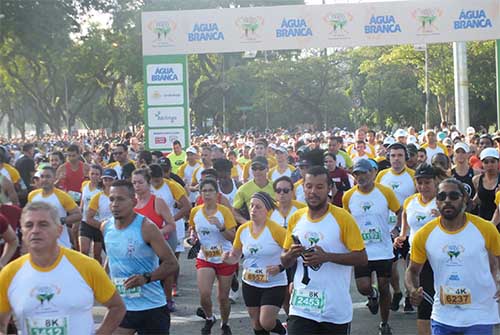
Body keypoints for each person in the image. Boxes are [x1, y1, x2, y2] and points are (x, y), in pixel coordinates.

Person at [0, 201, 126, 334]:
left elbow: (117, 307)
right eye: (29, 225)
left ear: (59, 231)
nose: (35, 230)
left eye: (43, 224)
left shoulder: (86, 266)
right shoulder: (9, 273)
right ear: (23, 232)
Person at [406, 178, 500, 335]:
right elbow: (412, 270)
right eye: (442, 196)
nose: (447, 200)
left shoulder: (485, 229)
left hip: (479, 314)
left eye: (453, 196)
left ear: (464, 199)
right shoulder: (424, 234)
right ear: (436, 202)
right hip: (443, 316)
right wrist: (412, 289)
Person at [281, 166, 368, 335]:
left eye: (319, 187)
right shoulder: (296, 218)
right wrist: (290, 255)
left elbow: (362, 258)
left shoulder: (343, 218)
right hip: (301, 307)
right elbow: (284, 260)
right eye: (309, 186)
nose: (313, 191)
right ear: (303, 188)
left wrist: (327, 257)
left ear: (329, 189)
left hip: (334, 310)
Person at [101, 180, 179, 334]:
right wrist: (103, 280)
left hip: (151, 308)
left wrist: (146, 278)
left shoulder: (147, 228)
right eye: (112, 199)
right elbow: (112, 256)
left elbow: (171, 264)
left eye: (121, 199)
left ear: (134, 201)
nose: (115, 204)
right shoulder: (106, 227)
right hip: (122, 307)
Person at [343, 159, 401, 335]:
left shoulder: (385, 192)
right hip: (361, 250)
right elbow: (345, 220)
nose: (361, 177)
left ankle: (384, 323)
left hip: (383, 249)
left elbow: (400, 211)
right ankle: (371, 295)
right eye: (357, 174)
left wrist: (397, 229)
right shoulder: (349, 196)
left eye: (364, 173)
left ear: (373, 173)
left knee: (384, 286)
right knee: (363, 287)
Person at [223, 192, 287, 335]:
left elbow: (292, 253)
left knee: (267, 322)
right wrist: (227, 258)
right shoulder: (243, 230)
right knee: (257, 324)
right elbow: (235, 255)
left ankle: (284, 331)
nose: (253, 210)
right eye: (251, 206)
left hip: (274, 283)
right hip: (250, 282)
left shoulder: (276, 230)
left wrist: (280, 267)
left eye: (258, 207)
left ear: (267, 210)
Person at [394, 164, 438, 335]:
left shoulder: (443, 201)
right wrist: (401, 237)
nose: (423, 186)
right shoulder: (410, 202)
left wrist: (442, 216)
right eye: (419, 182)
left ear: (435, 181)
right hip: (417, 258)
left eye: (427, 182)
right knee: (423, 305)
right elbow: (406, 227)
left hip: (439, 258)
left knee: (443, 302)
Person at [189, 178, 237, 335]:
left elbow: (233, 237)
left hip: (225, 257)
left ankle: (225, 323)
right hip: (205, 257)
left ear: (217, 194)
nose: (207, 194)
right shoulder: (195, 211)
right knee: (204, 294)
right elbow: (193, 228)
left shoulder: (224, 211)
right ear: (200, 193)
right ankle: (209, 318)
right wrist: (192, 237)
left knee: (223, 298)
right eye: (204, 191)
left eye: (210, 190)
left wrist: (221, 227)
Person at [375, 143, 416, 313]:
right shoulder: (382, 176)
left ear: (405, 157)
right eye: (393, 156)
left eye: (400, 155)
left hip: (409, 227)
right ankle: (397, 291)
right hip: (388, 227)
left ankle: (409, 295)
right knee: (390, 266)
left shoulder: (413, 176)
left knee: (410, 264)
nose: (396, 159)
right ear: (388, 158)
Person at [132, 168, 178, 312]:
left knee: (165, 271)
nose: (137, 186)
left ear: (148, 182)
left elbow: (171, 224)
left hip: (157, 244)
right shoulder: (130, 203)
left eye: (140, 182)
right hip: (138, 246)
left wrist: (157, 233)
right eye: (134, 183)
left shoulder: (157, 202)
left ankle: (168, 299)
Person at [150, 163, 192, 301]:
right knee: (151, 264)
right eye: (153, 180)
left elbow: (187, 206)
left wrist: (171, 220)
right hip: (149, 231)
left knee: (169, 262)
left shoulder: (172, 185)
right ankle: (153, 296)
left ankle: (169, 298)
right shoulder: (144, 186)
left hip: (168, 230)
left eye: (158, 180)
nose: (156, 183)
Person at [27, 166, 82, 248]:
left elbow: (78, 215)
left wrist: (61, 220)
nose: (44, 180)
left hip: (60, 245)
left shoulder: (62, 196)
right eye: (42, 177)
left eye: (48, 177)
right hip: (39, 245)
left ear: (54, 178)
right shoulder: (32, 195)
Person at [233, 157, 275, 225]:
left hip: (274, 226)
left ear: (267, 169)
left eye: (261, 168)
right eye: (254, 168)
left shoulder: (276, 187)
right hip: (255, 227)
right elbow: (234, 210)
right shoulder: (243, 189)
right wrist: (246, 223)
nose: (257, 171)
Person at [79, 165, 105, 263]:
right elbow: (82, 200)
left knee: (97, 255)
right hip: (85, 221)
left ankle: (98, 273)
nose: (94, 176)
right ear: (88, 174)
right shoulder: (84, 184)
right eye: (92, 174)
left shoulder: (102, 189)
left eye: (97, 174)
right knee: (84, 251)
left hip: (97, 223)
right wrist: (80, 211)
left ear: (100, 176)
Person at [472, 147, 500, 221]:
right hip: (482, 219)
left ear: (498, 162)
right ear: (482, 164)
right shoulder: (476, 180)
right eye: (486, 162)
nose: (490, 165)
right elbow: (478, 198)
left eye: (493, 161)